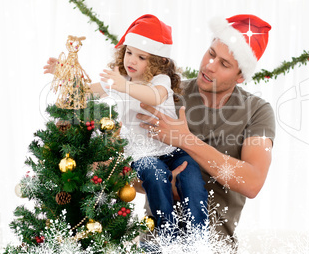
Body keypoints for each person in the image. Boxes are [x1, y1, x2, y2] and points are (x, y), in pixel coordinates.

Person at [44, 14, 208, 234]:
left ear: (159, 61)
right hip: (141, 153)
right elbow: (86, 91)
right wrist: (64, 71)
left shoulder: (160, 80)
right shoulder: (120, 79)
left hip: (172, 149)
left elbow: (155, 97)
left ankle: (200, 239)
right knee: (156, 177)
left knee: (193, 180)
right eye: (129, 52)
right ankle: (168, 237)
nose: (131, 60)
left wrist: (123, 86)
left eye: (142, 57)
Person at [136, 14, 275, 245]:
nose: (210, 66)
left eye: (224, 64)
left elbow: (252, 182)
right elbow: (126, 170)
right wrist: (161, 180)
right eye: (211, 54)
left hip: (214, 253)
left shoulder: (257, 111)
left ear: (240, 76)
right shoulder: (167, 93)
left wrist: (186, 140)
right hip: (154, 247)